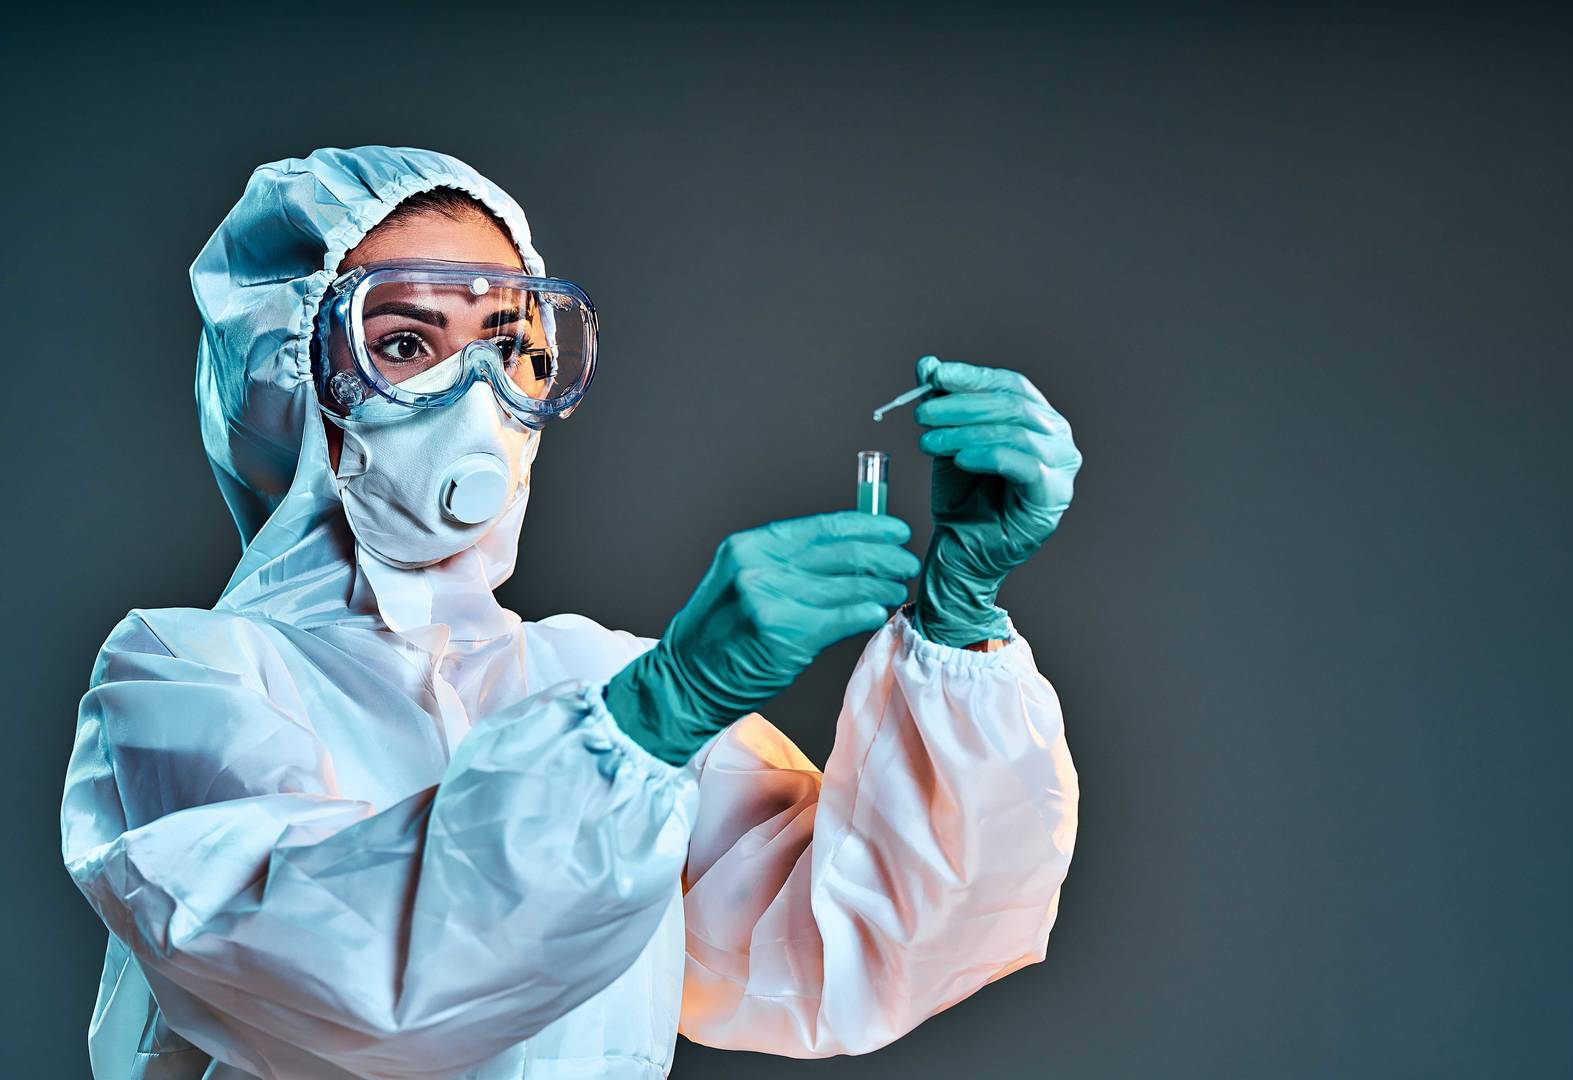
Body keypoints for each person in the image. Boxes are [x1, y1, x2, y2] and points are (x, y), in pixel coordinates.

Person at [60, 146, 1084, 1080]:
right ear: (289, 377)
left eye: (509, 347)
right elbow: (361, 985)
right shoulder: (183, 678)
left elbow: (862, 947)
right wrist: (655, 717)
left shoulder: (591, 679)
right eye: (408, 343)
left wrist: (957, 618)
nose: (478, 395)